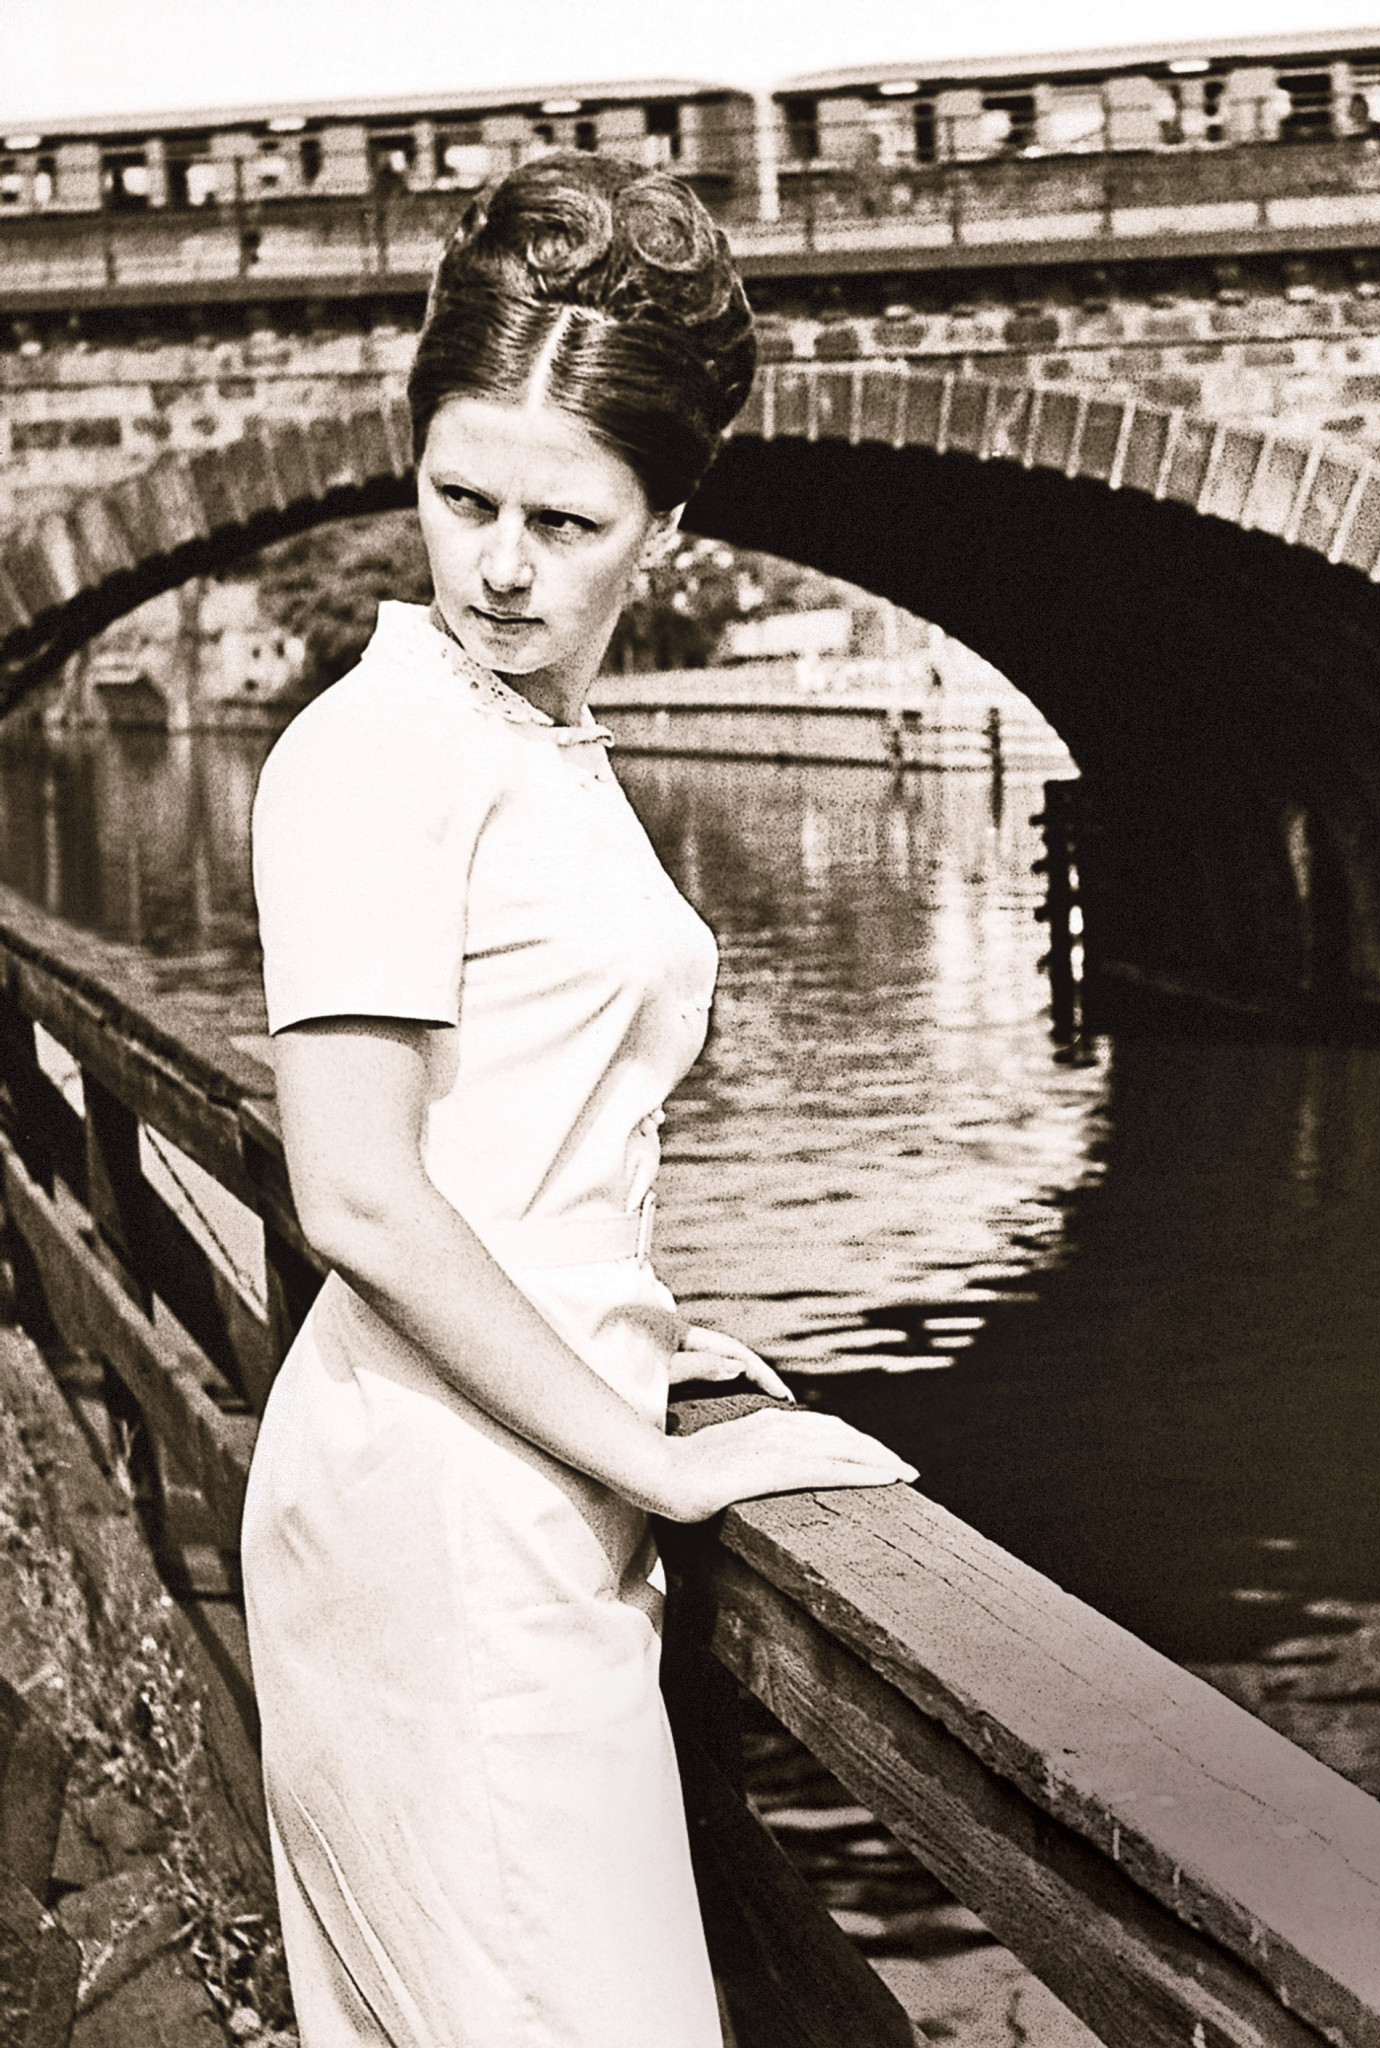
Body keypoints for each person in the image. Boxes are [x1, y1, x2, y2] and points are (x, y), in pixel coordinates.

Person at [241, 151, 916, 2048]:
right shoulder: (380, 748)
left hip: (527, 1468)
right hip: (447, 1520)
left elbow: (518, 1124)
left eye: (563, 519)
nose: (500, 567)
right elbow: (356, 1193)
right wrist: (665, 1461)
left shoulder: (532, 742)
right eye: (461, 499)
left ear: (664, 524)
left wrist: (642, 1322)